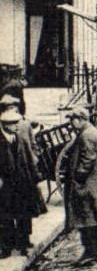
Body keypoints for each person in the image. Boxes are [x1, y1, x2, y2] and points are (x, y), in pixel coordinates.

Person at [62, 106, 97, 265]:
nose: (71, 124)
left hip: (87, 186)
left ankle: (91, 253)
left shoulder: (87, 135)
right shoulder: (91, 132)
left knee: (87, 220)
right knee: (91, 220)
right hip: (92, 184)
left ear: (80, 119)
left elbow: (88, 159)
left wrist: (78, 178)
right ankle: (91, 253)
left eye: (72, 120)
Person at [0, 101, 46, 257]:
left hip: (21, 183)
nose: (16, 127)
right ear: (5, 125)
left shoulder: (18, 138)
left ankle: (22, 243)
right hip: (5, 184)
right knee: (5, 216)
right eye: (13, 124)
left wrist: (33, 176)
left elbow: (27, 158)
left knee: (22, 212)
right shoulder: (1, 141)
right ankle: (6, 248)